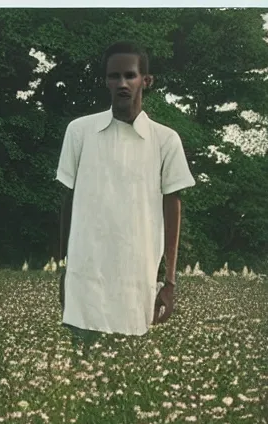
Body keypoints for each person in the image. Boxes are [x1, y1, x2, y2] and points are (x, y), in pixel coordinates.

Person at [57, 41, 196, 356]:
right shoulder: (79, 132)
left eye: (130, 75)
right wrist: (64, 268)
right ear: (105, 81)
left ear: (146, 80)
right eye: (114, 76)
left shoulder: (165, 140)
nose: (122, 83)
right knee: (81, 377)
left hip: (137, 276)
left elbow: (172, 206)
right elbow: (67, 201)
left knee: (128, 380)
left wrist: (170, 282)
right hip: (85, 276)